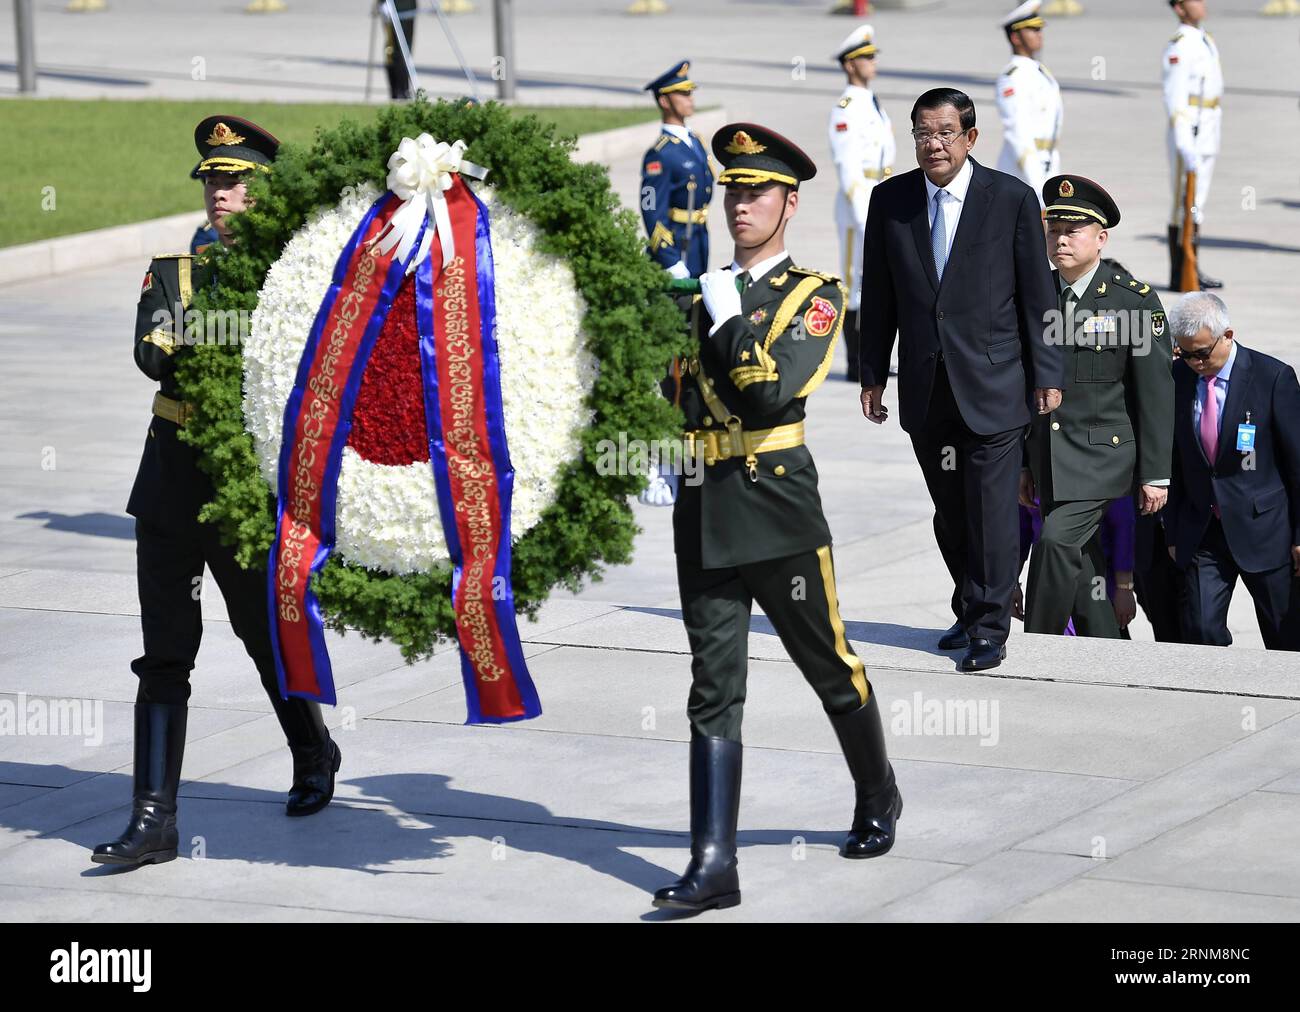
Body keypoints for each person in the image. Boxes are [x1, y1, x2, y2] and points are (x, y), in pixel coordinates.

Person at [651, 123, 900, 914]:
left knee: (830, 666)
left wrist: (724, 319)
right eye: (731, 191)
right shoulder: (698, 292)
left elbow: (768, 392)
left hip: (775, 503)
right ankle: (714, 863)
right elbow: (675, 393)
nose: (739, 205)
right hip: (703, 504)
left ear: (789, 203)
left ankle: (878, 793)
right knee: (712, 686)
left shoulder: (816, 295)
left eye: (756, 192)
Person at [93, 116, 341, 869]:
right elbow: (151, 355)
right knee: (164, 653)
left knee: (264, 635)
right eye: (212, 182)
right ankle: (154, 819)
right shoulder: (172, 271)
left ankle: (312, 751)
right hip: (169, 486)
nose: (221, 195)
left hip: (242, 489)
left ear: (265, 192)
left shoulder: (295, 279)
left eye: (235, 182)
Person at [858, 87, 1063, 671]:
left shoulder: (1011, 199)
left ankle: (991, 627)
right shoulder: (890, 200)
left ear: (971, 138)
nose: (933, 145)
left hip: (995, 385)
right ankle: (972, 604)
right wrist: (873, 371)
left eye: (945, 133)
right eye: (922, 133)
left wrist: (1047, 370)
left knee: (992, 509)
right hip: (926, 385)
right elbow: (880, 294)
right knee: (950, 511)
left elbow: (1037, 294)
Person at [1020, 175, 1173, 637]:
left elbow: (1155, 393)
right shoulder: (1033, 294)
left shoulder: (1132, 302)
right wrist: (1025, 465)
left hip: (1103, 455)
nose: (1060, 239)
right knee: (1085, 561)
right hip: (1050, 456)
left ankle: (1037, 647)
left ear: (1100, 238)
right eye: (1053, 230)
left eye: (1073, 230)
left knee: (1053, 543)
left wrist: (1155, 474)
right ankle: (1106, 648)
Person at [1166, 293, 1300, 649]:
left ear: (1227, 335)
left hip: (1266, 531)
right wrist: (1174, 531)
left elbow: (1297, 465)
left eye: (1202, 353)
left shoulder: (1273, 378)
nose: (1194, 362)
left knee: (1285, 636)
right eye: (1185, 353)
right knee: (1201, 631)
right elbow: (1176, 460)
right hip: (1203, 530)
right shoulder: (1177, 378)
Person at [828, 24, 894, 381]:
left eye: (872, 55)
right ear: (850, 64)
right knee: (856, 284)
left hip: (878, 195)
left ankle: (875, 361)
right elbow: (848, 168)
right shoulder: (846, 108)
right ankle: (857, 365)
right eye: (866, 57)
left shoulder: (870, 101)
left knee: (877, 283)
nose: (873, 61)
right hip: (859, 207)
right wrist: (864, 217)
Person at [1164, 0, 1224, 289]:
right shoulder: (1180, 46)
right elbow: (1175, 99)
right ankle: (1180, 273)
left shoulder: (1203, 39)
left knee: (1197, 201)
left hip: (1208, 126)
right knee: (1183, 204)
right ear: (1179, 8)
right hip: (1190, 131)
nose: (1202, 4)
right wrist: (1184, 142)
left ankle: (1193, 267)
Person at [640, 61, 715, 280]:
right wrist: (670, 260)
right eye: (682, 94)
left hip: (698, 238)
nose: (690, 98)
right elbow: (650, 208)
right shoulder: (660, 154)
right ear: (664, 101)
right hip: (677, 242)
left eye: (689, 92)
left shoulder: (695, 141)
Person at [994, 1, 1063, 203]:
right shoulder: (1012, 77)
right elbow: (1017, 131)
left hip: (1047, 159)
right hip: (1023, 166)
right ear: (1015, 37)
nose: (1039, 33)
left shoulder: (1039, 71)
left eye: (1039, 29)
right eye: (1032, 30)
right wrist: (1037, 183)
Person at [382, 0, 418, 101]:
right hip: (394, 5)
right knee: (394, 49)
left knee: (405, 49)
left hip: (407, 6)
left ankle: (403, 89)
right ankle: (398, 90)